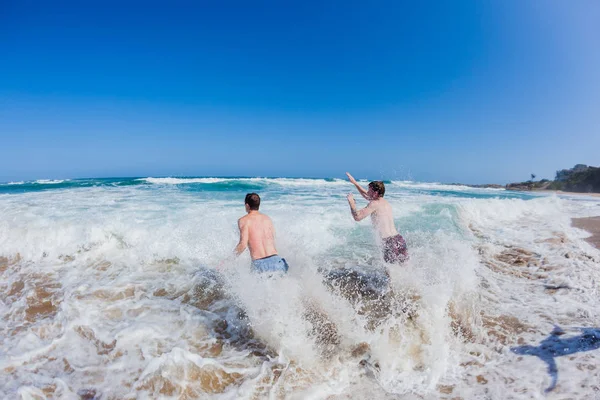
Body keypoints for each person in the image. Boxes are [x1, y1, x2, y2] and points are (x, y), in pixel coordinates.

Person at [345, 172, 408, 264]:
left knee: (390, 271)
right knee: (404, 268)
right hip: (399, 240)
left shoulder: (374, 204)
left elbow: (357, 217)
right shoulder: (385, 203)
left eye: (369, 190)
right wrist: (355, 183)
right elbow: (366, 196)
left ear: (375, 193)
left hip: (389, 243)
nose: (367, 192)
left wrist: (351, 203)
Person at [226, 193, 289, 273]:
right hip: (277, 261)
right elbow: (273, 237)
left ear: (247, 205)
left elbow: (243, 245)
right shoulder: (267, 219)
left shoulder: (244, 220)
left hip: (260, 264)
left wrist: (229, 260)